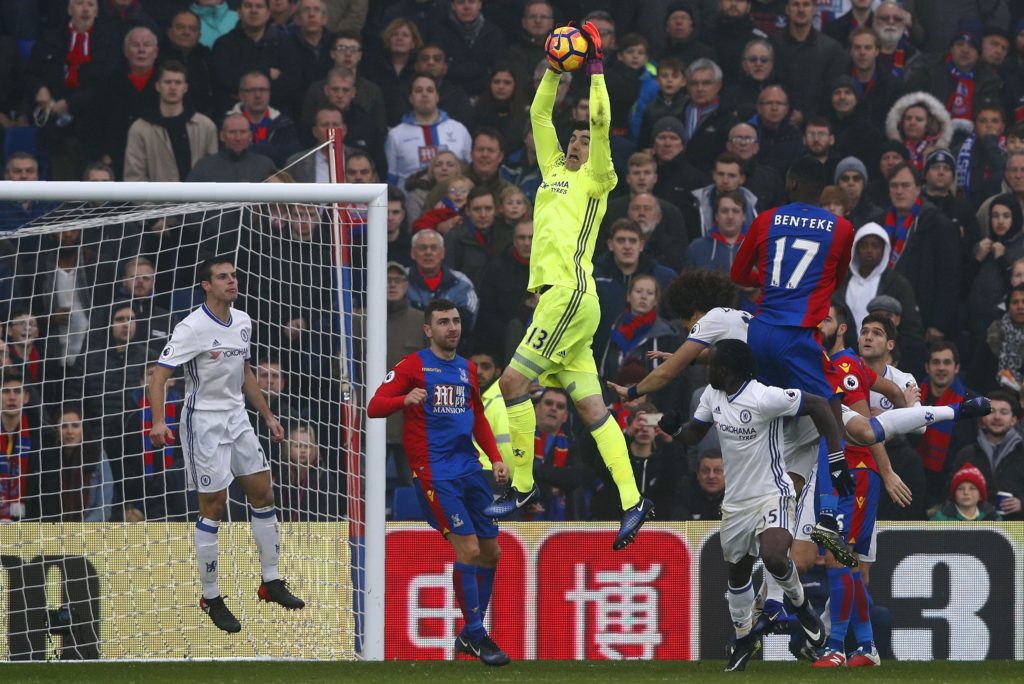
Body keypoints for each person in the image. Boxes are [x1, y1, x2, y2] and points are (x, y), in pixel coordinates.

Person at [489, 24, 654, 551]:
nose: (579, 139)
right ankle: (633, 501)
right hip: (564, 303)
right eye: (576, 136)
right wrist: (556, 72)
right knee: (591, 409)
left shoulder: (597, 178)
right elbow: (539, 115)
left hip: (569, 293)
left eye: (585, 137)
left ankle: (520, 487)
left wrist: (597, 69)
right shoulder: (554, 170)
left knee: (512, 387)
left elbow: (601, 120)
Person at [148, 257, 304, 634]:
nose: (232, 281)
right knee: (214, 505)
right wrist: (157, 421)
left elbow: (245, 373)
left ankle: (270, 581)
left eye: (234, 275)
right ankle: (211, 595)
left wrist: (267, 416)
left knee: (263, 493)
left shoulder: (244, 320)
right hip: (203, 421)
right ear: (207, 285)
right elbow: (159, 377)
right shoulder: (192, 328)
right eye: (223, 277)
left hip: (237, 418)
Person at [656, 339, 831, 672]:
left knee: (775, 555)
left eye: (712, 366)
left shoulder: (765, 397)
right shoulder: (713, 395)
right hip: (735, 502)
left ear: (726, 369)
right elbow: (695, 433)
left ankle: (802, 607)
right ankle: (743, 640)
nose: (708, 370)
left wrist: (834, 458)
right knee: (737, 576)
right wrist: (675, 430)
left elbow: (821, 406)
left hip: (772, 492)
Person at [367, 298, 511, 666]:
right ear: (428, 330)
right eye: (444, 322)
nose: (452, 328)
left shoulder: (466, 369)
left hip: (469, 470)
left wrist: (494, 458)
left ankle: (469, 633)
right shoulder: (413, 365)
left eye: (456, 321)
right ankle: (477, 634)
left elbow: (477, 416)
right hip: (435, 473)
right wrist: (404, 398)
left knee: (492, 553)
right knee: (470, 552)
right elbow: (374, 406)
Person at [730, 157, 856, 552]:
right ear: (824, 190)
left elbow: (738, 274)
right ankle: (831, 510)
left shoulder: (766, 219)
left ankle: (758, 509)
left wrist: (768, 279)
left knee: (769, 421)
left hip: (761, 329)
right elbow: (837, 277)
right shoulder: (842, 229)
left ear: (791, 179)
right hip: (799, 337)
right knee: (830, 410)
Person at [124, 60, 219, 182]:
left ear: (185, 87)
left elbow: (212, 173)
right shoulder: (140, 128)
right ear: (158, 86)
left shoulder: (206, 126)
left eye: (178, 82)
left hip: (197, 200)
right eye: (168, 82)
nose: (173, 87)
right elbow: (134, 177)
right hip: (156, 201)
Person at [947, 391, 1024, 522]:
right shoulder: (967, 454)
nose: (997, 417)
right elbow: (951, 492)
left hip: (1017, 530)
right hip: (976, 531)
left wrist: (1022, 504)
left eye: (1004, 412)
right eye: (991, 411)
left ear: (1014, 420)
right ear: (982, 417)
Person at [187, 113, 278, 182]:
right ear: (222, 136)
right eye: (232, 132)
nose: (238, 138)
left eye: (242, 132)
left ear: (250, 136)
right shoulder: (204, 167)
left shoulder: (265, 165)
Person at [930, 464, 1002, 521]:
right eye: (960, 489)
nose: (966, 492)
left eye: (972, 488)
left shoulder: (993, 517)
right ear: (954, 494)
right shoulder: (940, 519)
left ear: (980, 495)